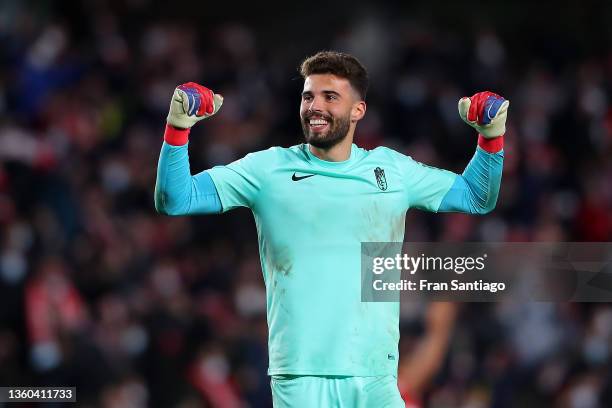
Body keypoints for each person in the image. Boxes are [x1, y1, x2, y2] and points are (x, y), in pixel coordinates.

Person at [155, 51, 508, 407]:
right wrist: (178, 128)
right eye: (308, 96)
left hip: (376, 379)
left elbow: (476, 196)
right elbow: (176, 198)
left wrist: (489, 137)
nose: (314, 106)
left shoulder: (393, 170)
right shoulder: (267, 170)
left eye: (330, 97)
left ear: (358, 111)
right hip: (301, 378)